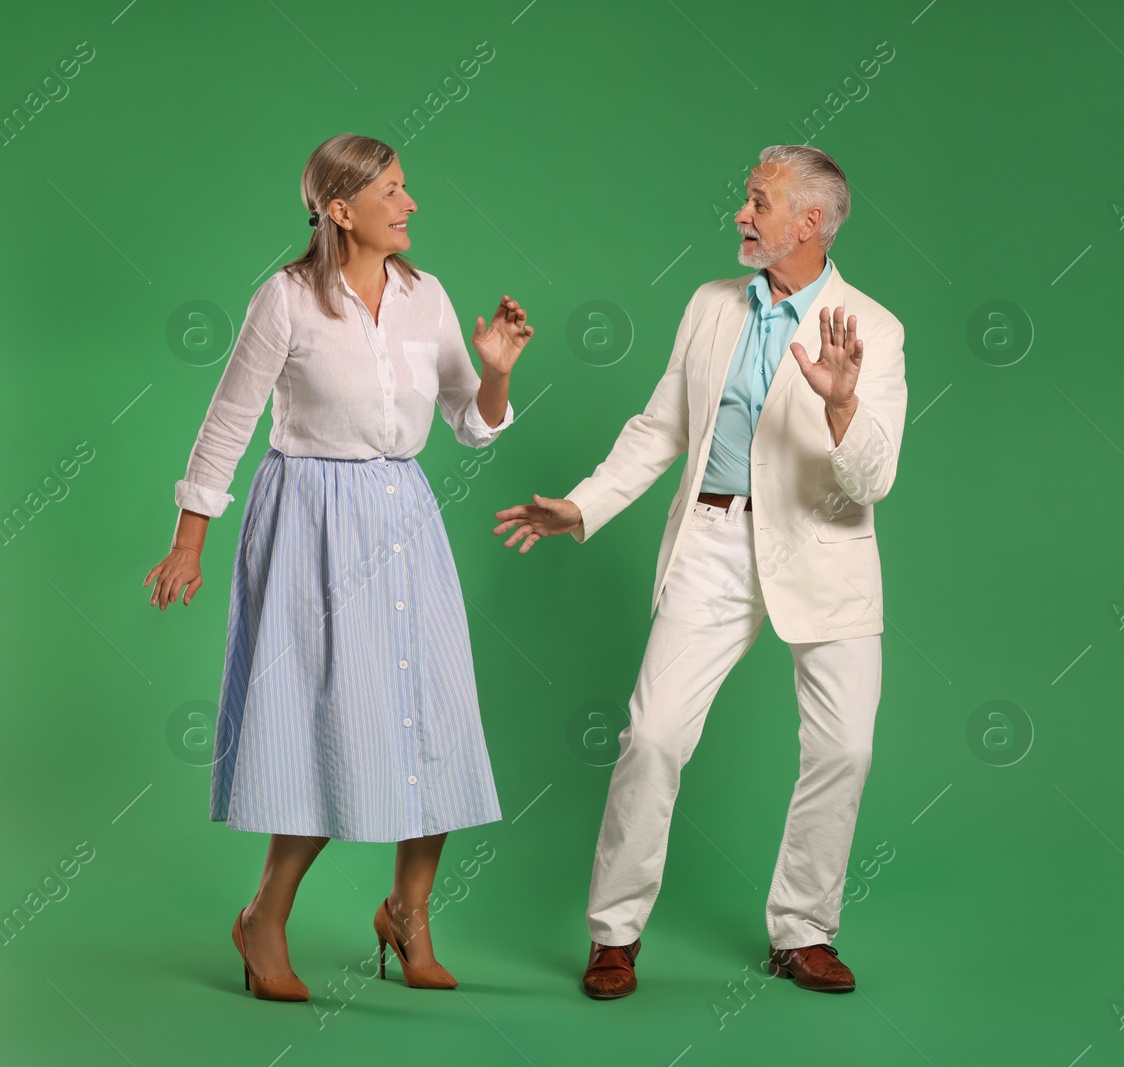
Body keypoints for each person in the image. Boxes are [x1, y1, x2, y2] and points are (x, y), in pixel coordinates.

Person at [492, 144, 906, 999]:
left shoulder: (876, 328)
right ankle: (615, 934)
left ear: (811, 223)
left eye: (758, 202)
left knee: (846, 748)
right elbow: (660, 426)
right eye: (747, 200)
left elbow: (873, 480)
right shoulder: (711, 306)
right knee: (652, 736)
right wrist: (583, 505)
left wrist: (841, 403)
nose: (741, 215)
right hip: (713, 541)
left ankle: (802, 931)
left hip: (824, 549)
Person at [143, 133, 530, 1000]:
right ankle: (264, 917)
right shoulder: (283, 300)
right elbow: (228, 423)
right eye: (393, 190)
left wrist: (497, 373)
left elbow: (474, 423)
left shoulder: (427, 299)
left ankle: (409, 912)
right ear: (341, 208)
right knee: (323, 724)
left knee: (431, 716)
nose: (411, 203)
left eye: (408, 187)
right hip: (309, 523)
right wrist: (189, 541)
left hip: (406, 518)